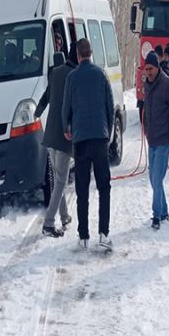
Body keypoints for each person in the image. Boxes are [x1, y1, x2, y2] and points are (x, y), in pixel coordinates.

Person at [62, 38, 115, 251]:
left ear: (77, 55)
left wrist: (67, 128)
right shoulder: (101, 74)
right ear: (90, 53)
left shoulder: (72, 78)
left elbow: (66, 107)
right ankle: (104, 234)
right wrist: (108, 131)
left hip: (81, 139)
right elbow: (110, 106)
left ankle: (83, 236)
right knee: (104, 187)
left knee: (82, 188)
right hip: (100, 138)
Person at [35, 45, 78, 238]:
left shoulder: (55, 72)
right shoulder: (75, 76)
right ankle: (49, 223)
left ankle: (64, 215)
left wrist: (37, 112)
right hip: (63, 135)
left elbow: (46, 97)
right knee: (61, 180)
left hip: (50, 135)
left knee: (57, 176)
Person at [142, 51, 169, 230]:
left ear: (157, 67)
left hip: (164, 139)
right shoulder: (147, 84)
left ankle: (156, 215)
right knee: (154, 180)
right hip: (152, 139)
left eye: (151, 69)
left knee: (157, 179)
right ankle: (165, 210)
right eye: (146, 69)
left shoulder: (166, 83)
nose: (148, 72)